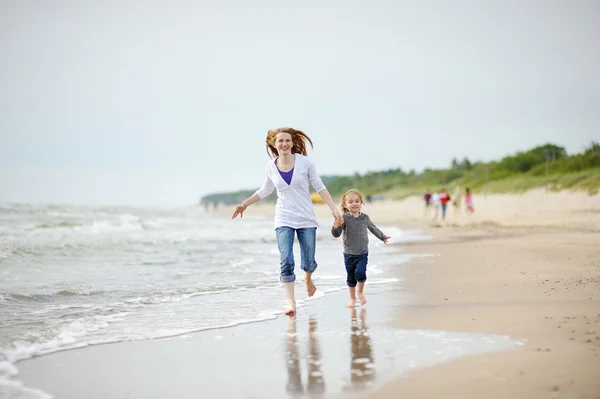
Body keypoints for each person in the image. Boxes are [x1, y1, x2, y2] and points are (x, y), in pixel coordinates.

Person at [231, 127, 341, 316]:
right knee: (286, 260)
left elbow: (319, 187)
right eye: (280, 141)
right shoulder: (270, 166)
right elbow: (265, 190)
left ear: (292, 143)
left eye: (287, 140)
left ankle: (307, 278)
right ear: (274, 144)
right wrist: (244, 204)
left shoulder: (305, 163)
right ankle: (291, 303)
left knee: (308, 263)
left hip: (306, 218)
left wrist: (334, 208)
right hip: (283, 218)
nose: (284, 144)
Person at [331, 189, 390, 308]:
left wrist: (382, 237)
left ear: (361, 202)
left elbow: (373, 228)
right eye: (351, 202)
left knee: (360, 273)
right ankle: (352, 299)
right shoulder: (344, 218)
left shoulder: (365, 218)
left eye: (357, 201)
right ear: (345, 205)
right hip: (348, 254)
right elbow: (336, 234)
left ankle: (360, 292)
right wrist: (335, 226)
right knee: (351, 278)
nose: (354, 204)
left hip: (363, 252)